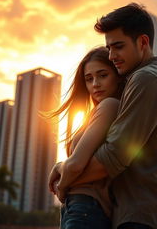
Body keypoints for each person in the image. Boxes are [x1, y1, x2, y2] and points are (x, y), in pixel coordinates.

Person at [50, 3, 157, 229]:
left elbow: (112, 157)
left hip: (145, 216)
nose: (112, 55)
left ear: (143, 42)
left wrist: (63, 177)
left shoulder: (147, 79)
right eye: (109, 48)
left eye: (118, 46)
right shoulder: (150, 81)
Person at [48, 46, 125, 229]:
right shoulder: (97, 112)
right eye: (89, 79)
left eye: (103, 75)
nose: (95, 84)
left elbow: (76, 165)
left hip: (86, 207)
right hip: (83, 208)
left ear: (117, 75)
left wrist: (62, 187)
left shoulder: (110, 105)